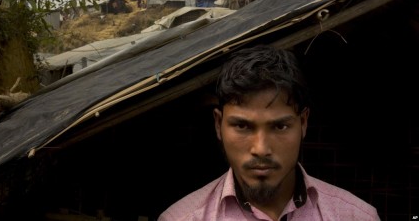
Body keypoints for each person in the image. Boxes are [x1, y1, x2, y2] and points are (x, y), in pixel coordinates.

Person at [158, 45, 380, 221]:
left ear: (303, 123)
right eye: (242, 126)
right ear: (218, 124)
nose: (261, 149)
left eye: (279, 126)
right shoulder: (182, 218)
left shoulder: (357, 216)